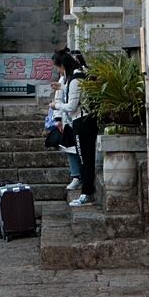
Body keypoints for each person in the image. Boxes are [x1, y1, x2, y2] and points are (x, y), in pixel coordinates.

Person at [49, 50, 98, 205]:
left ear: (62, 65)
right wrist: (62, 88)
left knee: (84, 159)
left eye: (57, 68)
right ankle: (86, 191)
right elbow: (75, 93)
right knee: (84, 157)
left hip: (82, 121)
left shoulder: (75, 79)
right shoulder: (74, 77)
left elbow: (71, 106)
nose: (58, 71)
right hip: (82, 121)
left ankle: (86, 193)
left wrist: (55, 105)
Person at [49, 50, 81, 191]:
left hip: (78, 118)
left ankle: (82, 179)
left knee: (80, 149)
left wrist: (57, 106)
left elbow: (71, 103)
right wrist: (57, 117)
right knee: (69, 148)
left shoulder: (77, 76)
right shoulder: (65, 79)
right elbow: (61, 95)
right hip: (68, 119)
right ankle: (75, 176)